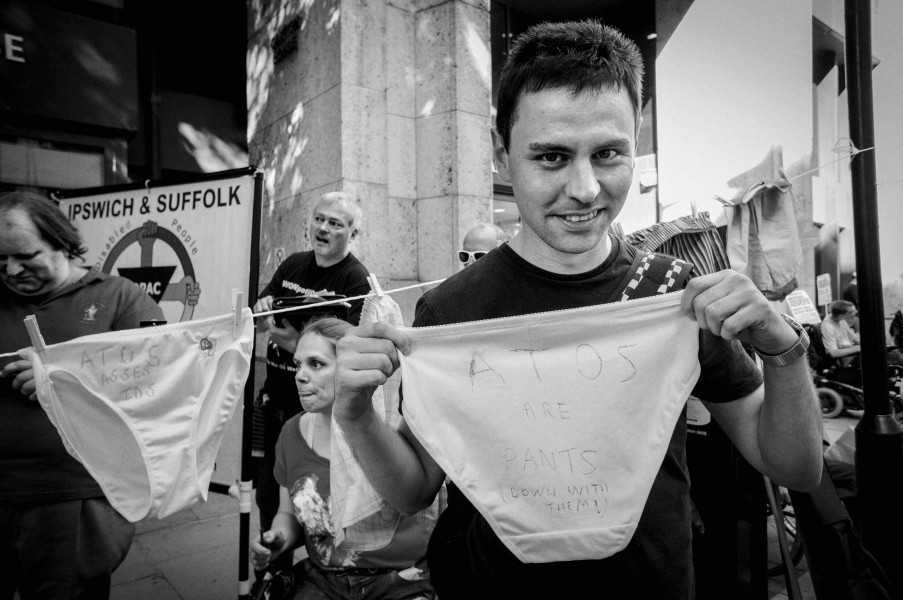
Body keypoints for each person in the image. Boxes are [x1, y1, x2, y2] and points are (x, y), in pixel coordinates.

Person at [331, 20, 822, 599]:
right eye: (552, 157)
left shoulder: (677, 295)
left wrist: (784, 348)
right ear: (501, 154)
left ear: (635, 141)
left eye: (608, 153)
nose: (585, 188)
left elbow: (795, 468)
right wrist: (355, 414)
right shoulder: (452, 307)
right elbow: (415, 490)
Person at [0, 191, 163, 599]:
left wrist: (63, 379)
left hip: (71, 499)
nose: (11, 270)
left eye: (26, 256)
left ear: (61, 242)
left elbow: (160, 384)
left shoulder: (120, 298)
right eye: (0, 259)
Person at [250, 317, 436, 600]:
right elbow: (287, 513)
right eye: (298, 364)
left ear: (353, 368)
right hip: (323, 580)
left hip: (401, 580)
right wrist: (279, 537)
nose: (299, 375)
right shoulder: (291, 433)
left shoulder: (391, 434)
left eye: (316, 364)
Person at [252, 191, 372, 569]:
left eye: (335, 223)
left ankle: (331, 570)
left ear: (352, 234)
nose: (323, 228)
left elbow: (350, 352)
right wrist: (261, 311)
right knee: (269, 498)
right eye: (319, 219)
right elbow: (258, 320)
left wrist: (293, 346)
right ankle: (276, 570)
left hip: (320, 414)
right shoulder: (293, 264)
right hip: (275, 401)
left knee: (319, 503)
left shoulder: (356, 279)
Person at [820, 300, 861, 368]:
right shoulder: (828, 327)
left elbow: (854, 338)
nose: (856, 312)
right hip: (842, 361)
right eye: (851, 312)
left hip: (849, 352)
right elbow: (833, 353)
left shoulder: (841, 320)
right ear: (841, 316)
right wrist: (858, 348)